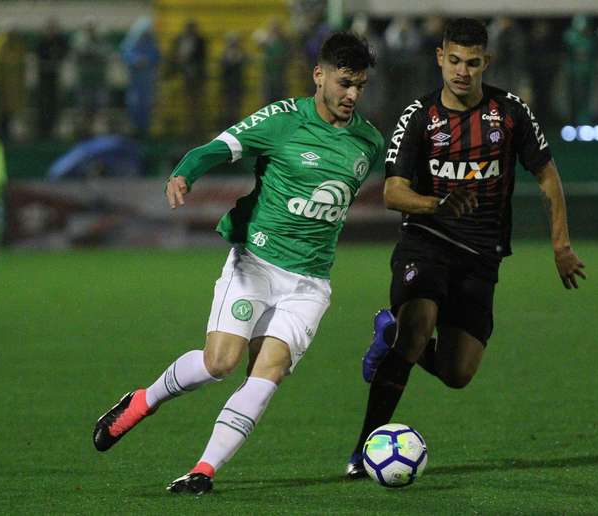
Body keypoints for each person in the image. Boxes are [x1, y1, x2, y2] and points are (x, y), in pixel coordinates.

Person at [92, 32, 387, 497]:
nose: (352, 95)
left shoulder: (368, 143)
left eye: (361, 86)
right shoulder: (283, 120)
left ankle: (203, 471)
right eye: (345, 82)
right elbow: (216, 147)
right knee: (219, 363)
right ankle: (143, 400)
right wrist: (185, 172)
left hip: (309, 284)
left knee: (267, 372)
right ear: (320, 76)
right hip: (256, 264)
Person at [343, 18, 587, 479]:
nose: (461, 71)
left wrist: (561, 245)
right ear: (440, 57)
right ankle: (363, 450)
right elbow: (393, 192)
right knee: (419, 325)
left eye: (472, 63)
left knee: (457, 373)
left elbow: (548, 177)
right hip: (426, 242)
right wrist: (438, 204)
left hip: (481, 256)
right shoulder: (419, 116)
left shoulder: (510, 112)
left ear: (486, 63)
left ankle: (387, 334)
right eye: (454, 60)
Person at [120, 17, 161, 137]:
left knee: (147, 103)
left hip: (147, 81)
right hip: (135, 80)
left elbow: (157, 57)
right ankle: (133, 128)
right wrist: (136, 61)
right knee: (134, 102)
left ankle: (145, 129)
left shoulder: (151, 42)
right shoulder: (132, 42)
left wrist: (148, 61)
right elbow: (126, 55)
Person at [35, 18, 69, 138]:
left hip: (56, 78)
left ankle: (54, 129)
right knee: (44, 105)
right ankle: (43, 130)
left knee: (56, 104)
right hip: (44, 79)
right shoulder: (42, 42)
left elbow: (65, 52)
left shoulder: (60, 41)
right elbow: (39, 55)